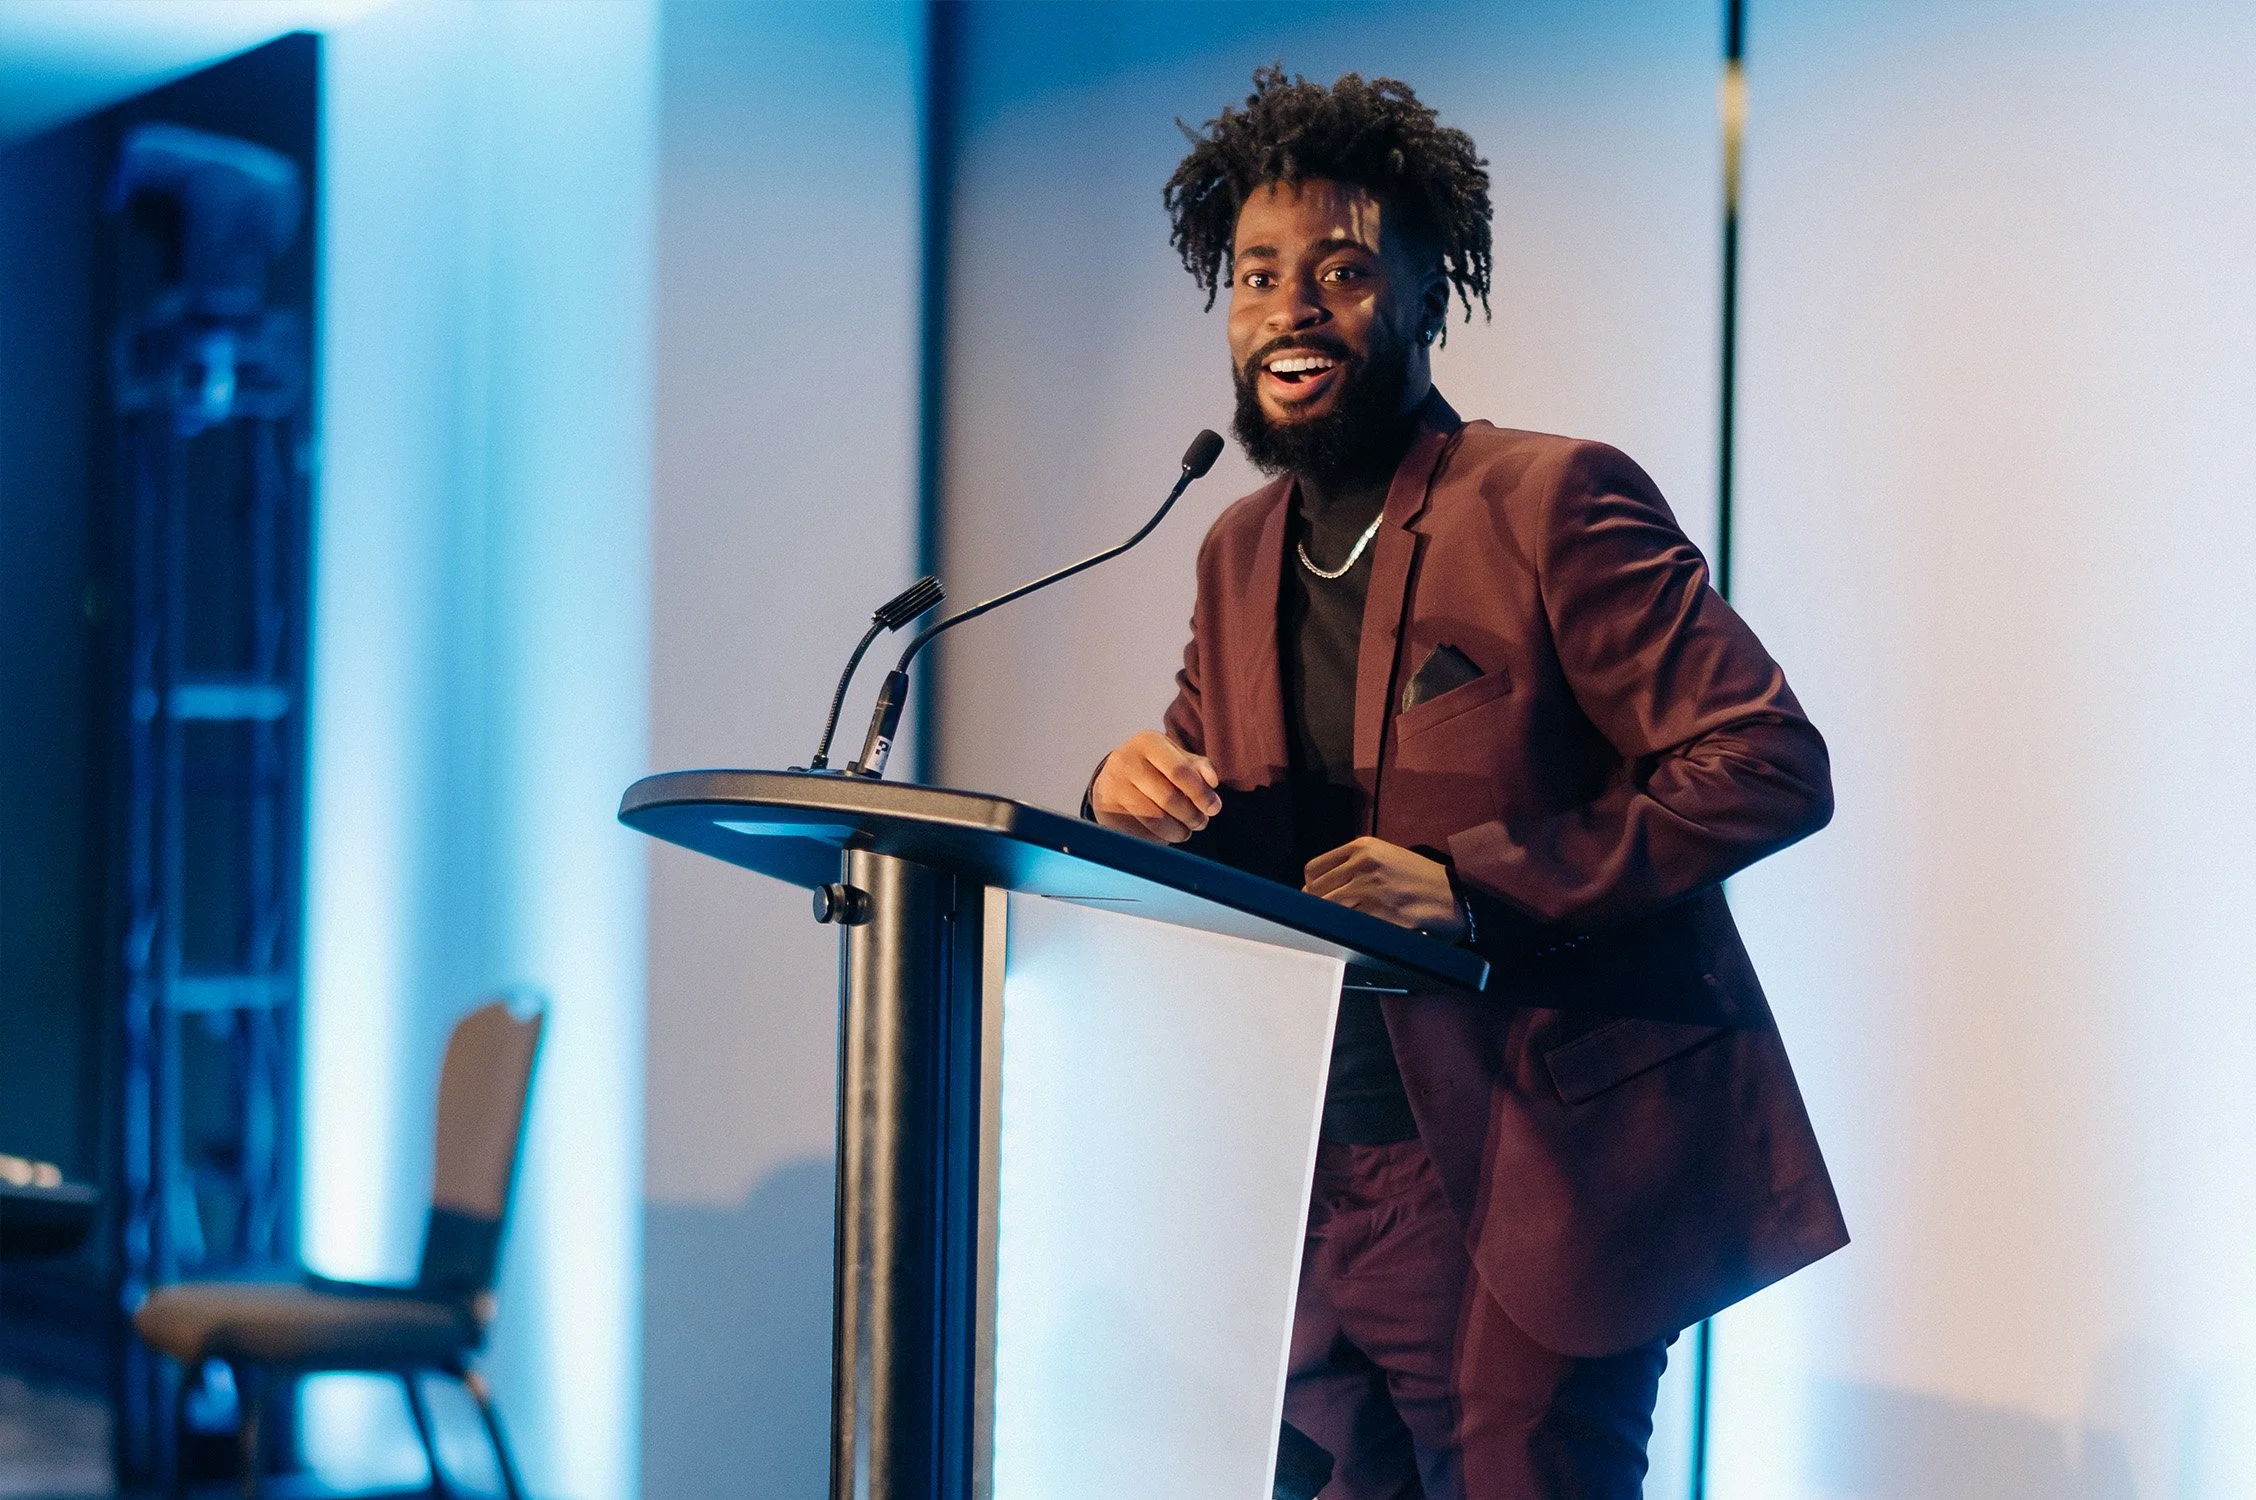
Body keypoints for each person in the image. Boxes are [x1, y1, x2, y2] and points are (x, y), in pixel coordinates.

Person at [1086, 69, 1847, 1499]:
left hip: (1528, 1175)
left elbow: (1767, 762)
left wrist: (1474, 882)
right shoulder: (1233, 552)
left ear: (1432, 299)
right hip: (1310, 1178)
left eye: (1344, 270)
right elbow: (1213, 793)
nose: (1290, 307)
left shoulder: (1553, 499)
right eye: (1258, 275)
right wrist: (1126, 785)